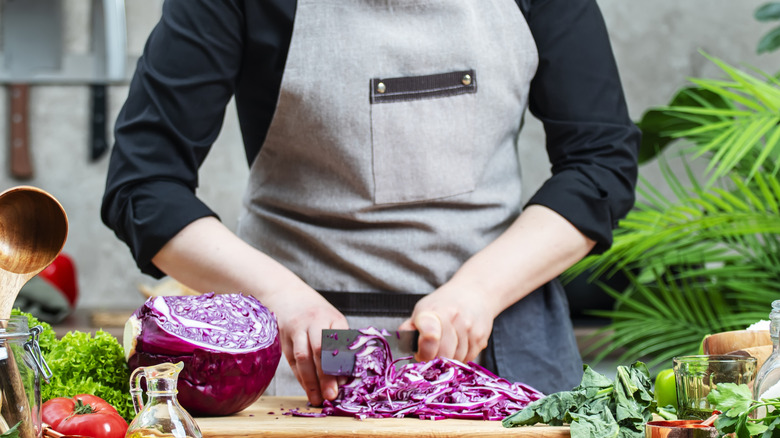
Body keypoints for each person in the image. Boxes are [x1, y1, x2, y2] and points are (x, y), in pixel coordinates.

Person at [101, 0, 639, 406]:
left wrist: (478, 292)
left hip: (499, 347)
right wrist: (281, 299)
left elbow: (600, 165)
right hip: (311, 365)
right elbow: (145, 184)